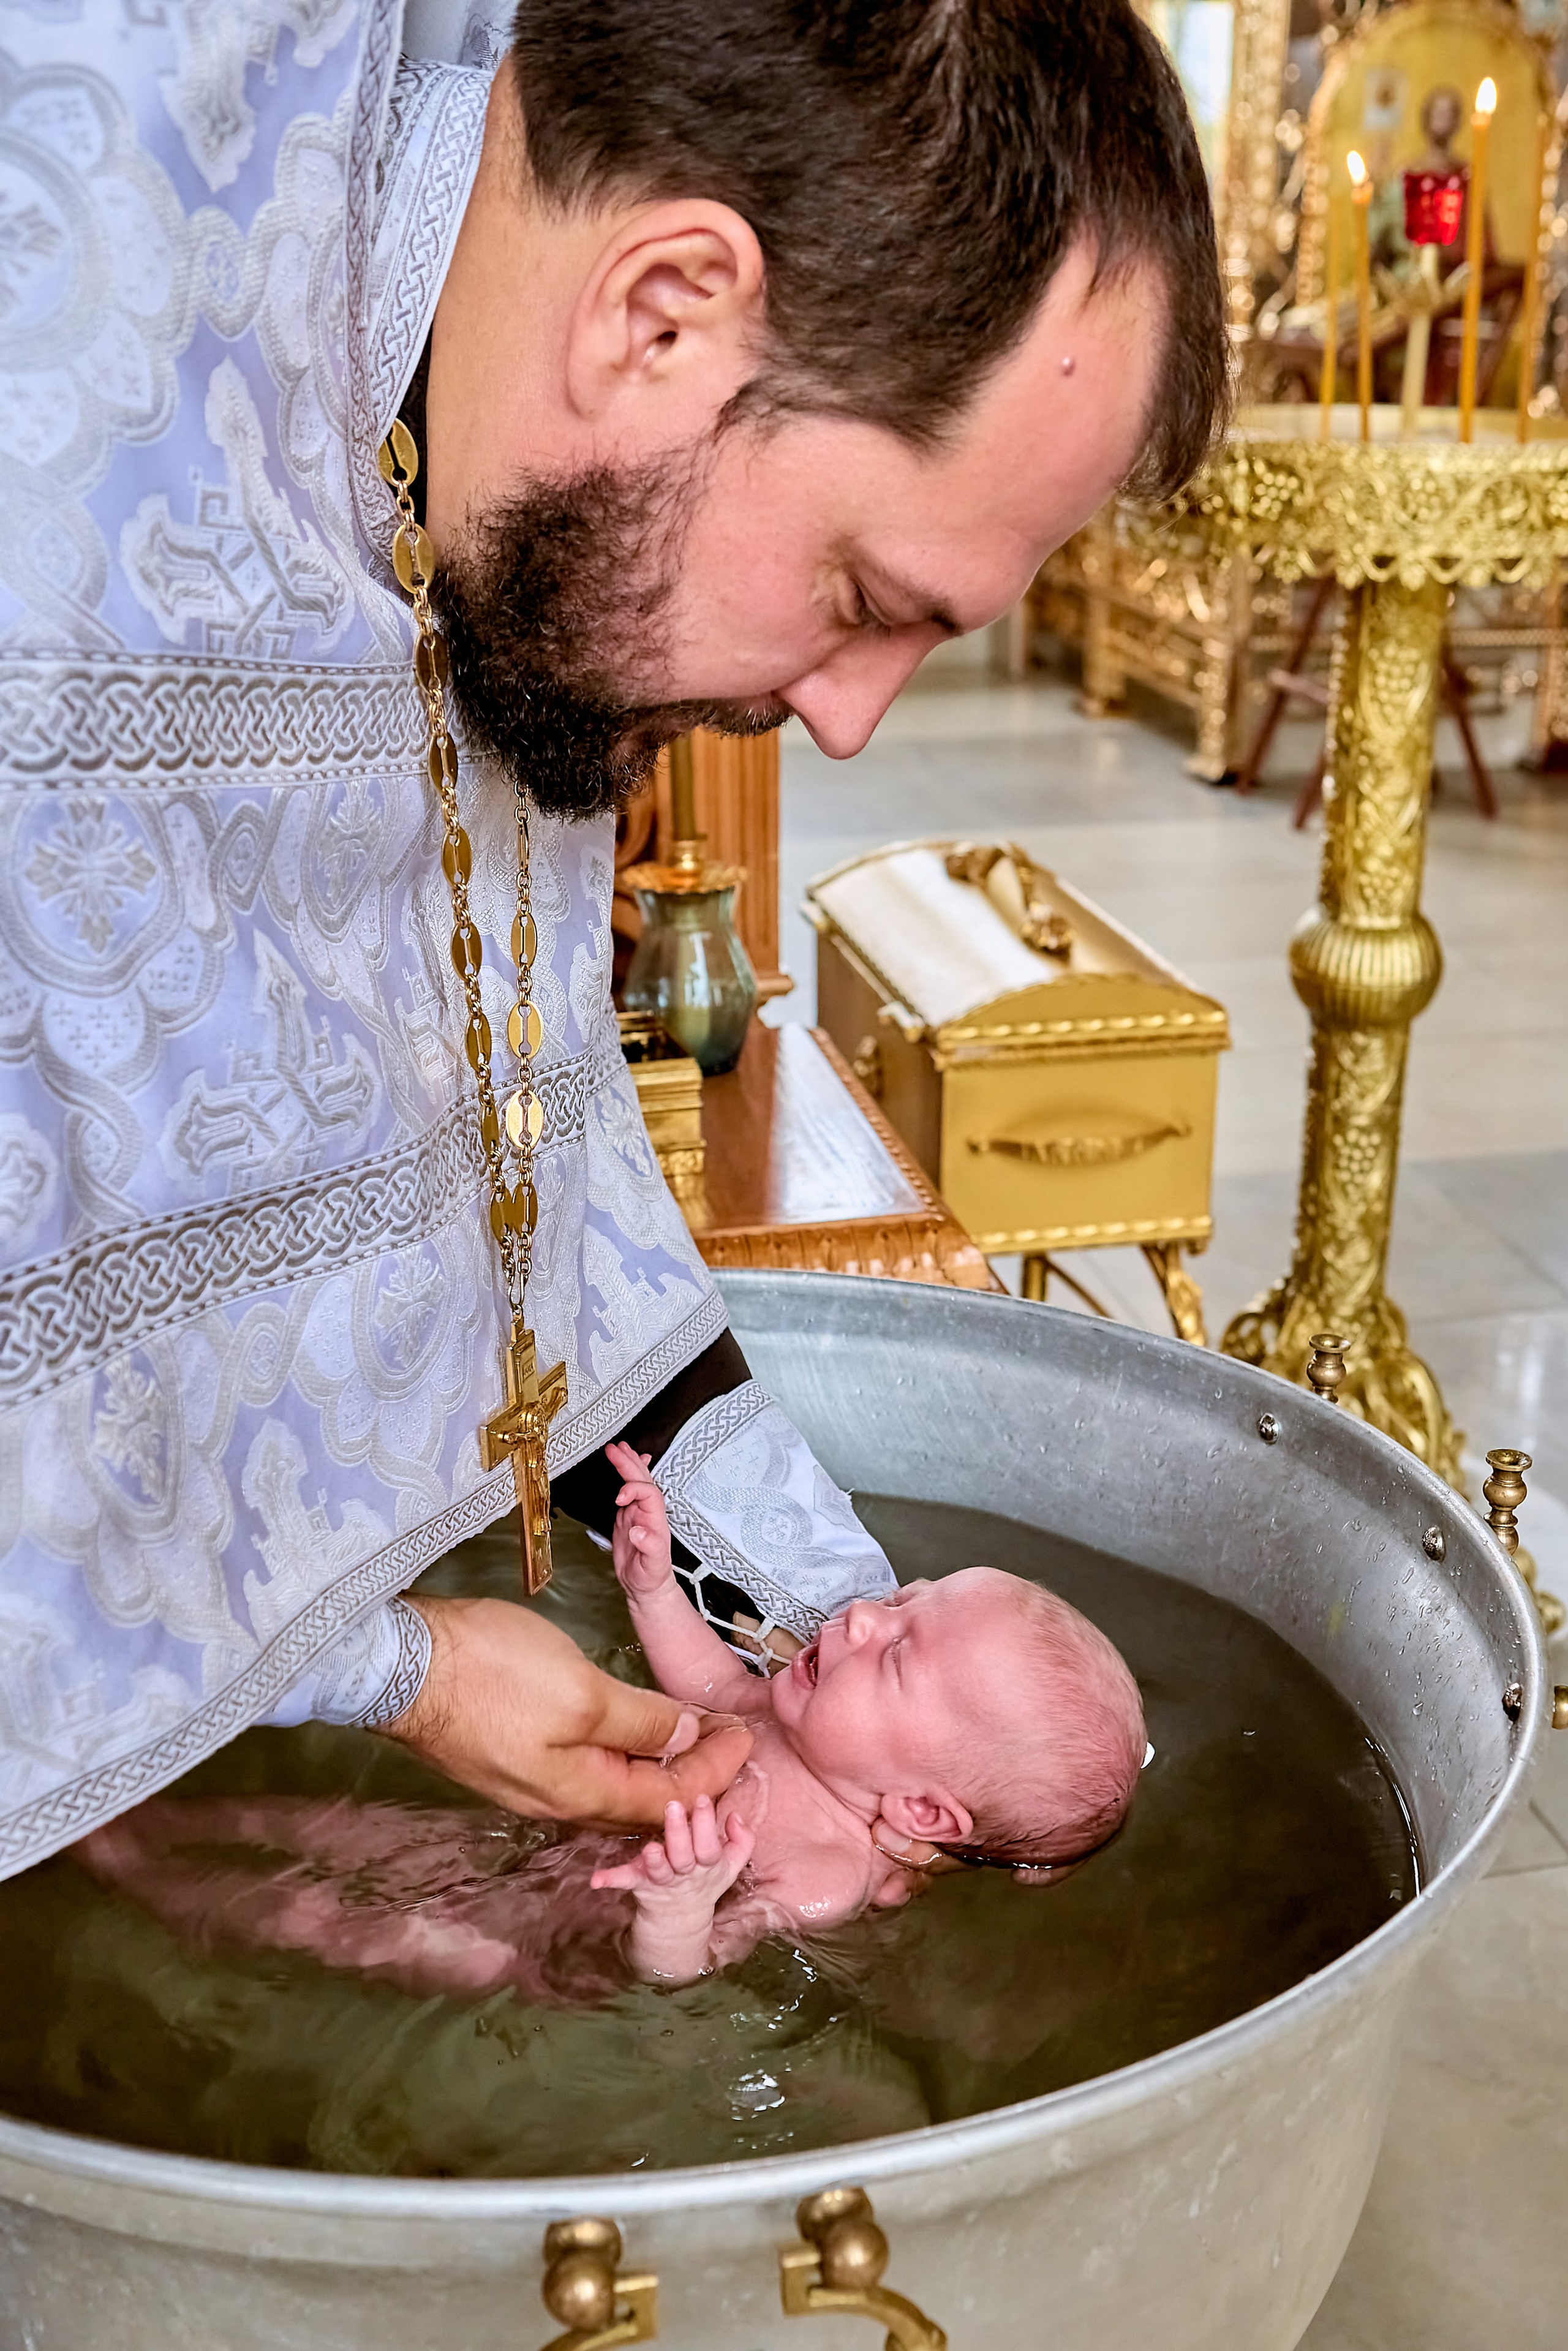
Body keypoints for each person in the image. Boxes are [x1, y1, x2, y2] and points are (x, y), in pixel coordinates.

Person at [0, 0, 1224, 1875]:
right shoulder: (57, 354)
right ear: (661, 313)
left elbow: (524, 1141)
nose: (851, 721)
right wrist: (395, 1669)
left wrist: (832, 1623)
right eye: (864, 595)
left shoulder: (502, 461)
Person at [77, 1439, 1146, 1994]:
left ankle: (143, 1872)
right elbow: (698, 1694)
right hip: (536, 1836)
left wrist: (677, 1907)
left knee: (340, 1923)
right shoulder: (784, 1715)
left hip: (546, 1941)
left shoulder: (826, 1874)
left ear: (921, 1805)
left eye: (899, 1654)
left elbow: (685, 1969)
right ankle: (170, 1822)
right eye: (904, 1596)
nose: (864, 1616)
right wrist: (652, 1590)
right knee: (332, 1831)